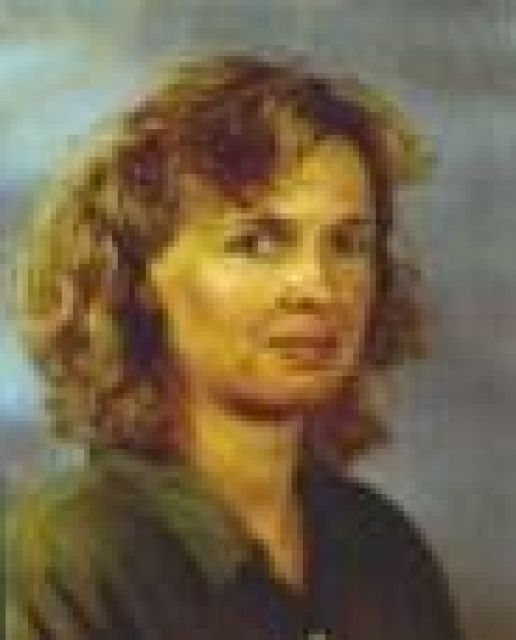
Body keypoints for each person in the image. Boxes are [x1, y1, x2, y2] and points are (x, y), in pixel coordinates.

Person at [8, 55, 462, 639]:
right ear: (137, 278)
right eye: (257, 243)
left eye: (348, 244)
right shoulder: (65, 558)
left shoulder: (384, 549)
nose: (318, 287)